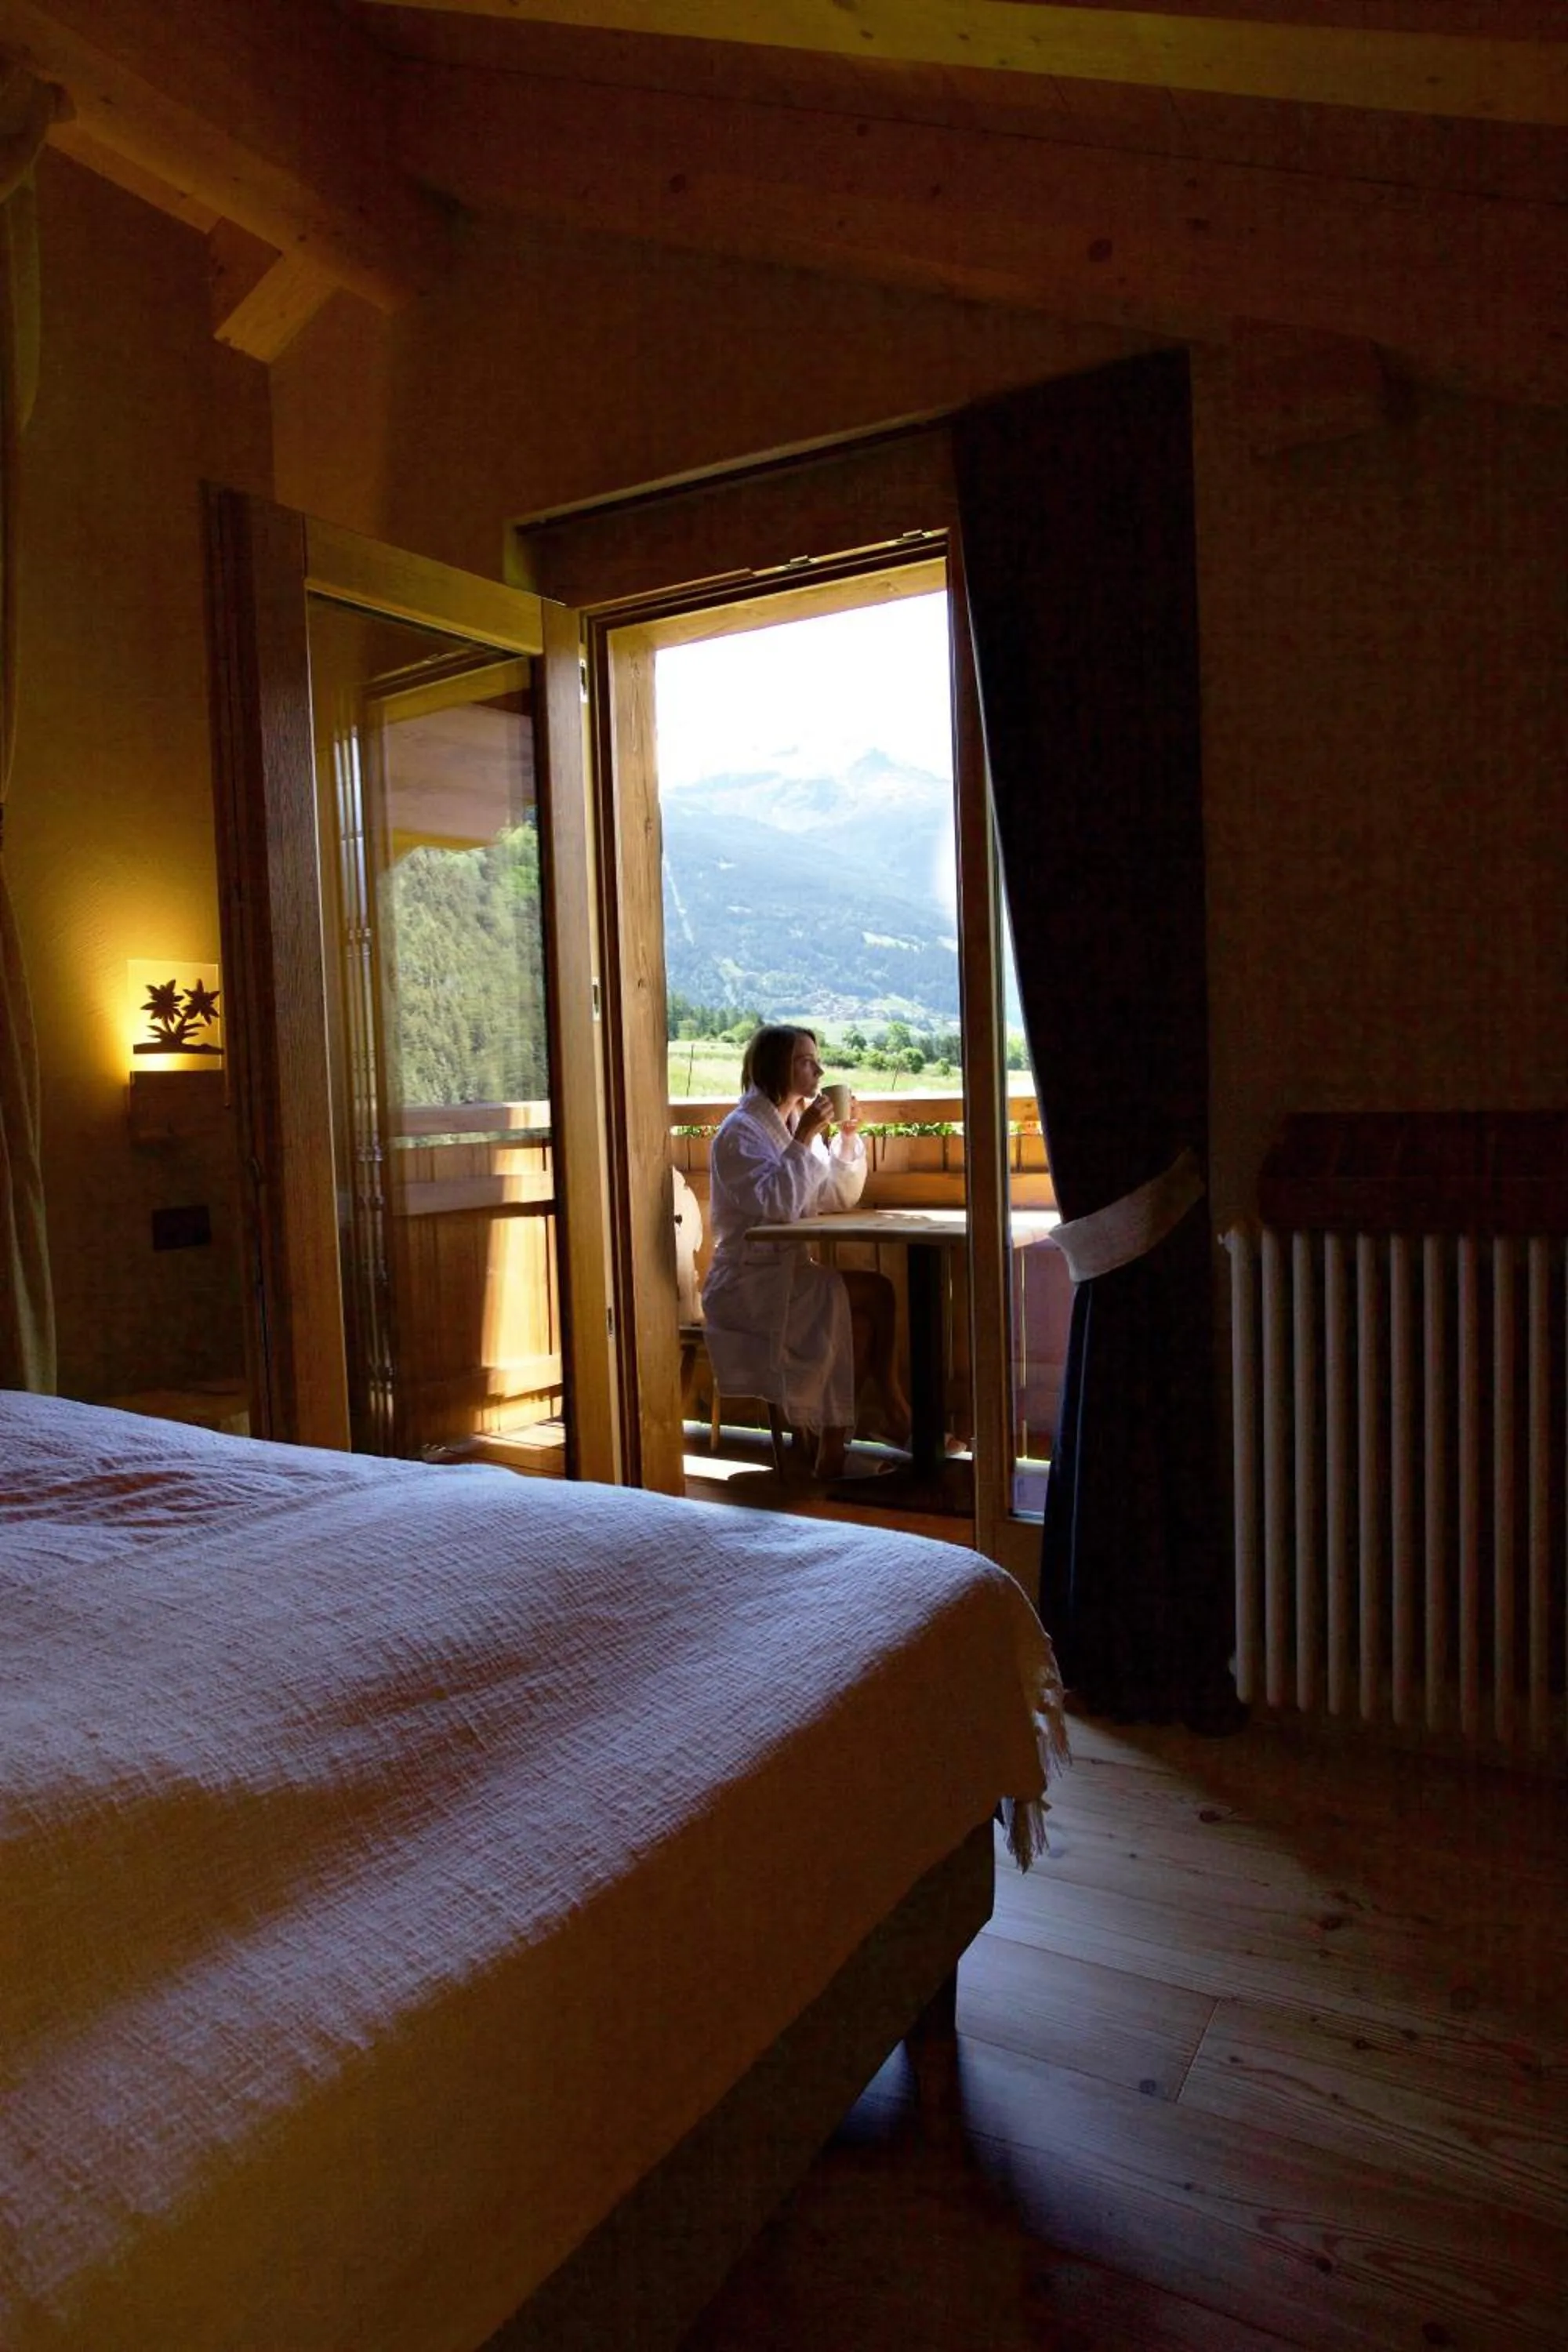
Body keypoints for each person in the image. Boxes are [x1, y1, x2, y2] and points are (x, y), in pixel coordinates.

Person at [701, 1024, 910, 1480]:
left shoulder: (793, 1125)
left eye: (816, 1060)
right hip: (747, 1284)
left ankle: (837, 1449)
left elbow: (832, 1196)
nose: (818, 1069)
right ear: (777, 1067)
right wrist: (803, 1141)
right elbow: (775, 1206)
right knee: (874, 1294)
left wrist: (847, 1137)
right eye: (805, 1061)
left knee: (862, 1312)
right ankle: (890, 1414)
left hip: (785, 1274)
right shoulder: (740, 1134)